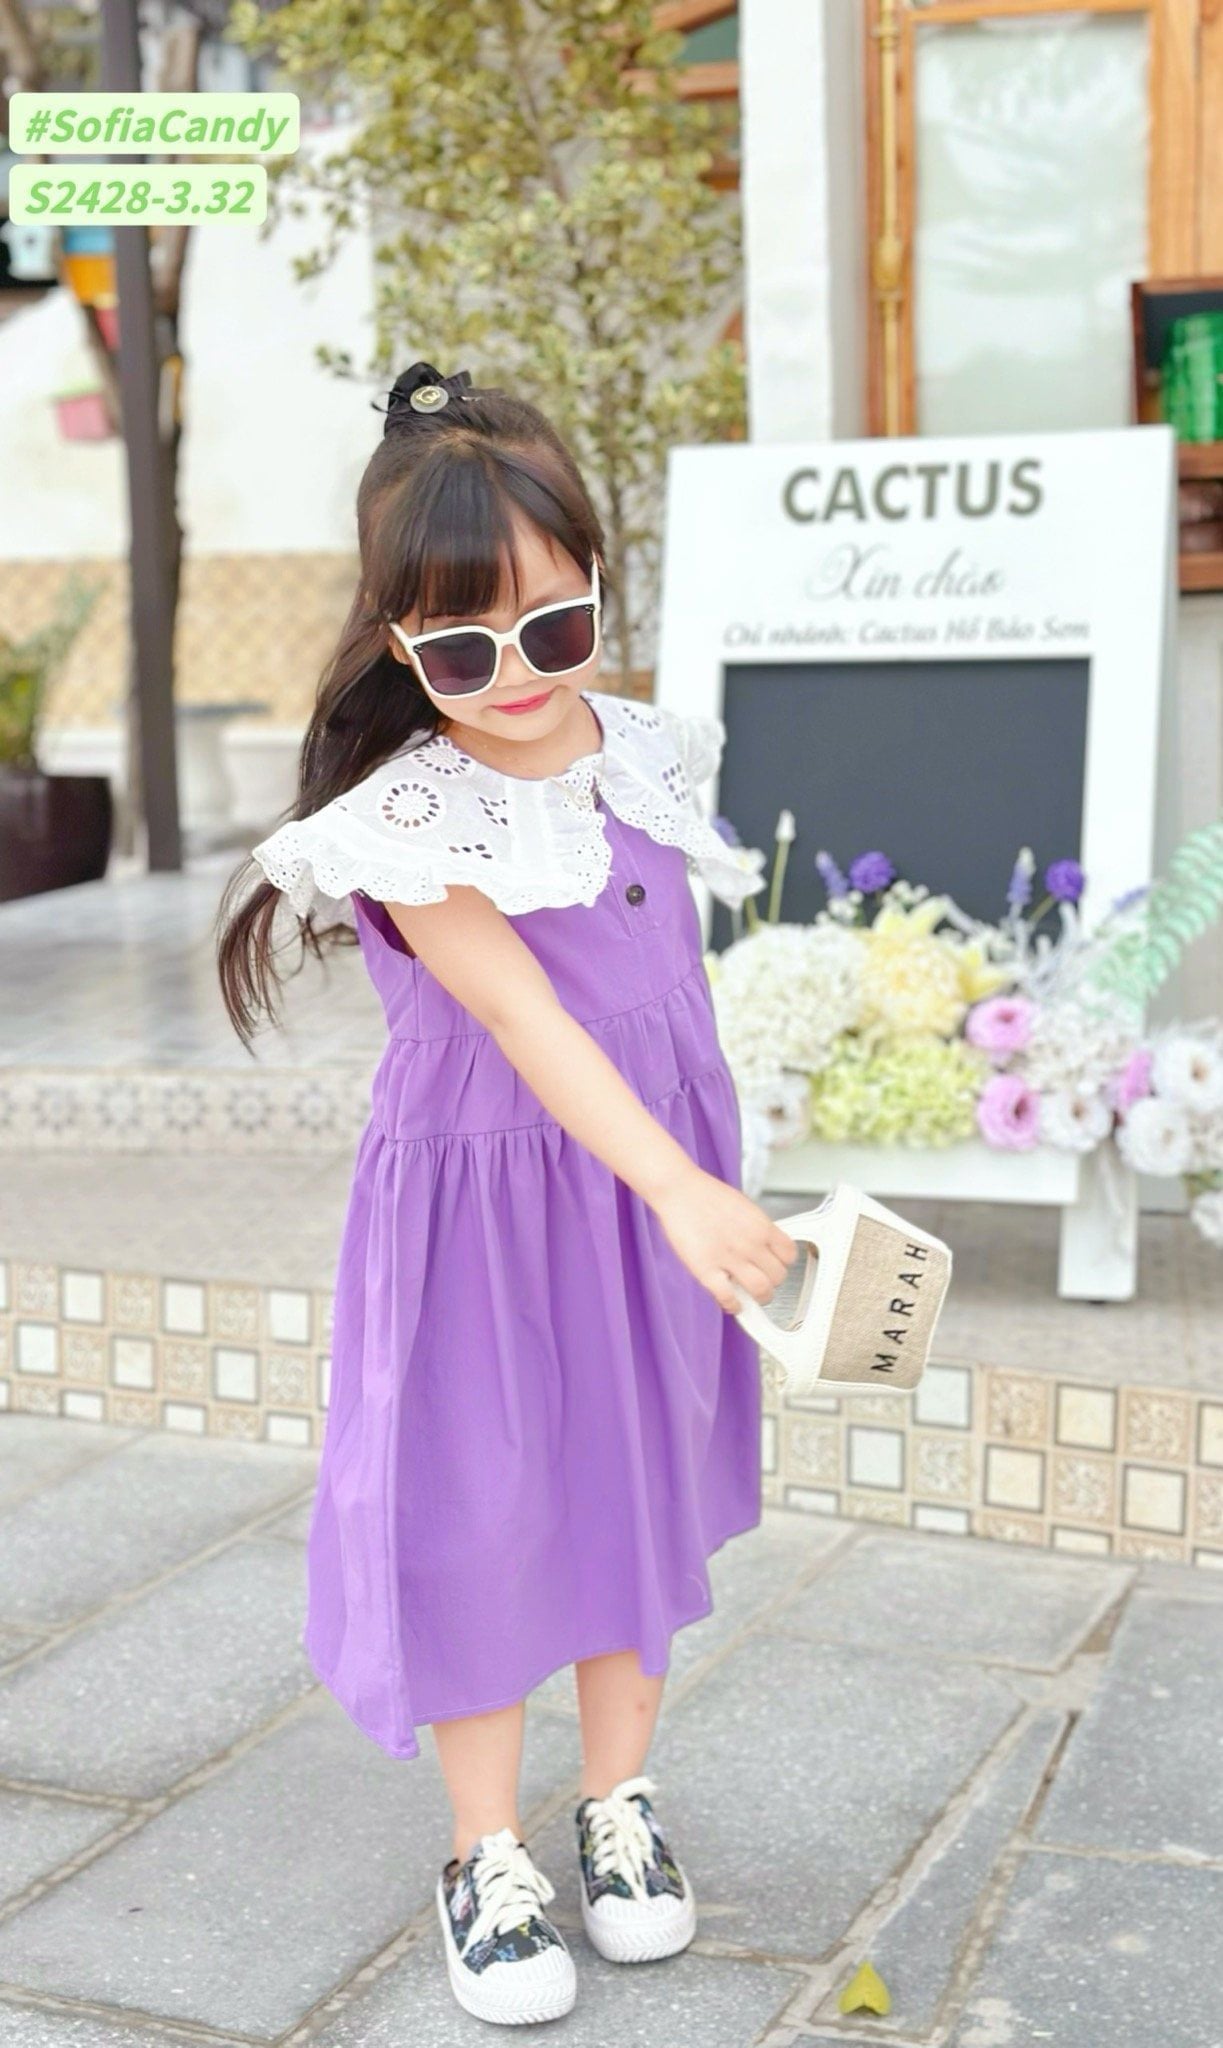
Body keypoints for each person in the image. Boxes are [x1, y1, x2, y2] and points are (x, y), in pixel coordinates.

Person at [216, 360, 798, 2028]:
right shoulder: (411, 818)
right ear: (399, 641)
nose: (522, 675)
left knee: (637, 1480)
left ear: (600, 584)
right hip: (490, 1208)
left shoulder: (644, 748)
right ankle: (485, 1849)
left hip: (645, 1187)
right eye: (465, 647)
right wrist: (678, 1184)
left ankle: (620, 1802)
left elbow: (659, 984)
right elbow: (530, 1020)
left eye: (558, 625)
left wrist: (698, 1174)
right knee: (480, 1511)